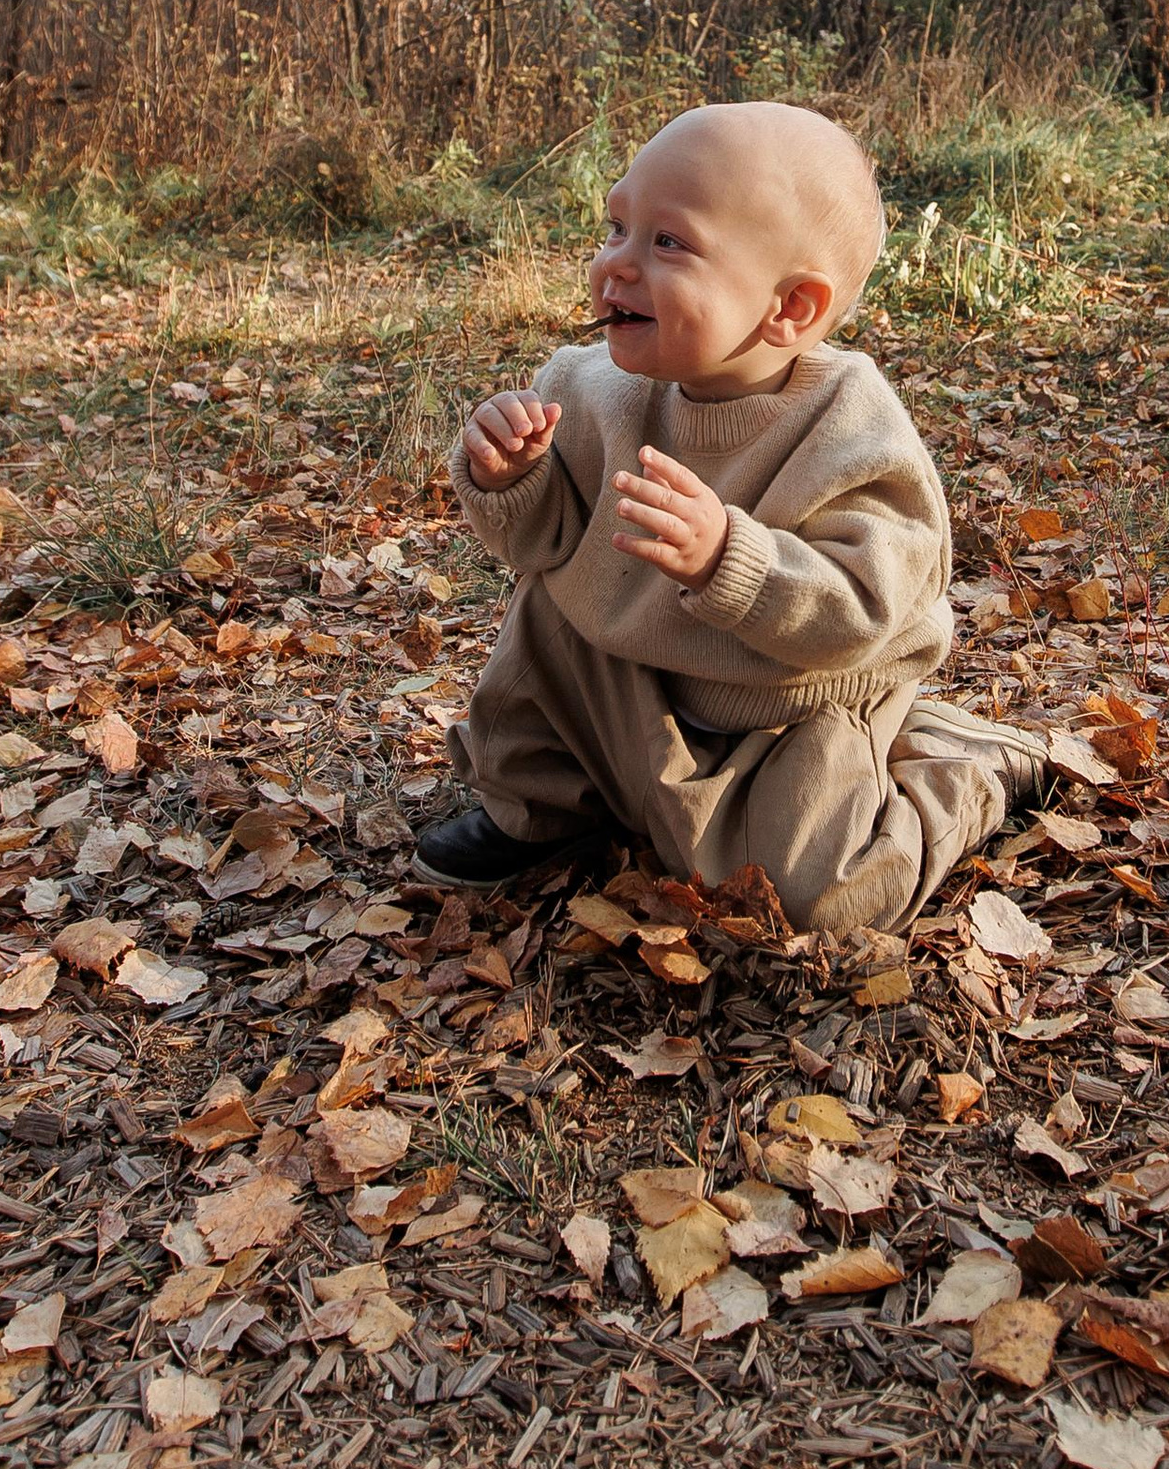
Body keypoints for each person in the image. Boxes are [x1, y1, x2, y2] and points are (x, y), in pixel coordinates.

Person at [419, 100, 1043, 930]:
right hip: (637, 675)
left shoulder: (850, 426)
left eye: (667, 242)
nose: (617, 266)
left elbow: (865, 606)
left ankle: (969, 770)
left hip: (792, 703)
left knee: (812, 895)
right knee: (550, 614)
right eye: (616, 228)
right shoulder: (586, 387)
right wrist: (513, 481)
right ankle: (539, 805)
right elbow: (543, 547)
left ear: (789, 309)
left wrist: (730, 559)